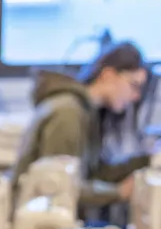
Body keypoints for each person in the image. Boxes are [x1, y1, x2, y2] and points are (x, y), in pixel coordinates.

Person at [13, 42, 150, 210]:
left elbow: (93, 174)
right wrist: (118, 192)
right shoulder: (68, 113)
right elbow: (58, 187)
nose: (136, 97)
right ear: (108, 75)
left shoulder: (86, 112)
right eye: (134, 85)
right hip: (33, 215)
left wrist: (145, 161)